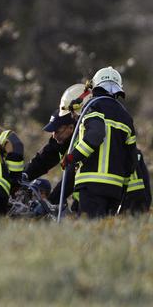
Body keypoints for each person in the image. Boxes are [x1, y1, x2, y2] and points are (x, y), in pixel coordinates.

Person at [62, 67, 137, 218]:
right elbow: (132, 161)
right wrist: (122, 187)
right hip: (115, 189)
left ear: (95, 86)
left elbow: (95, 135)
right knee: (104, 235)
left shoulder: (93, 107)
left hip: (91, 185)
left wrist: (72, 157)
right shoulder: (126, 117)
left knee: (89, 236)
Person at [23, 84, 91, 210]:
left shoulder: (85, 137)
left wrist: (50, 202)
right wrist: (25, 175)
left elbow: (71, 175)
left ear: (71, 127)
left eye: (57, 131)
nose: (54, 135)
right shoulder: (65, 138)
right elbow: (46, 156)